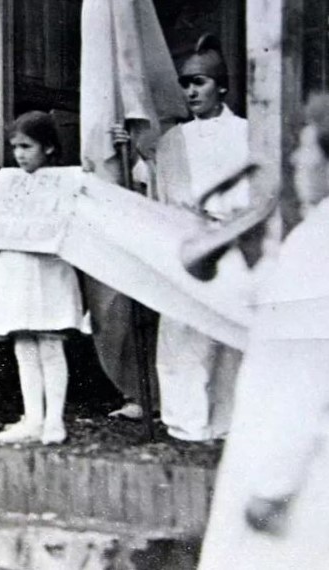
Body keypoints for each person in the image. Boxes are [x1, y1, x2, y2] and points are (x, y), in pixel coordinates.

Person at [198, 94, 329, 570]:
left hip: (302, 476)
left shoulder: (318, 243)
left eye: (307, 147)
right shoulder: (312, 236)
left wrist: (273, 485)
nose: (297, 159)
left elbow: (305, 375)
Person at [111, 34, 250, 440]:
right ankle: (186, 419)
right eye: (186, 83)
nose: (191, 90)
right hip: (185, 243)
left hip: (229, 242)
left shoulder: (246, 133)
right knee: (182, 333)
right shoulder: (173, 140)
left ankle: (227, 421)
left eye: (200, 82)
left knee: (225, 334)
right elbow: (154, 190)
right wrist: (133, 150)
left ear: (221, 86)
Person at [0, 112, 83, 445]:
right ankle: (33, 417)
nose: (19, 154)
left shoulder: (66, 181)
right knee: (23, 344)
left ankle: (54, 420)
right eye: (15, 147)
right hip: (15, 271)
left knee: (49, 342)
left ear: (49, 147)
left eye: (27, 146)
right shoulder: (8, 182)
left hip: (47, 270)